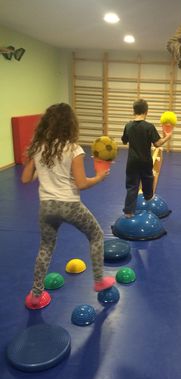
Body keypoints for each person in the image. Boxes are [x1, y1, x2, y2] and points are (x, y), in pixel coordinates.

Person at [21, 103, 115, 309]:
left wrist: (42, 169)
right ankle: (99, 280)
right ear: (70, 125)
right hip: (69, 205)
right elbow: (81, 184)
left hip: (46, 207)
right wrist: (99, 177)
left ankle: (36, 294)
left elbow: (26, 178)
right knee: (97, 236)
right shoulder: (74, 149)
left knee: (46, 247)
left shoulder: (38, 148)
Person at [121, 99, 172, 217]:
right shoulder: (149, 127)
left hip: (132, 162)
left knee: (132, 187)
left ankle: (128, 213)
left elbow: (124, 141)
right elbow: (158, 144)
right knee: (148, 184)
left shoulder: (128, 126)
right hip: (145, 161)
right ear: (146, 112)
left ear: (134, 111)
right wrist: (167, 137)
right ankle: (149, 205)